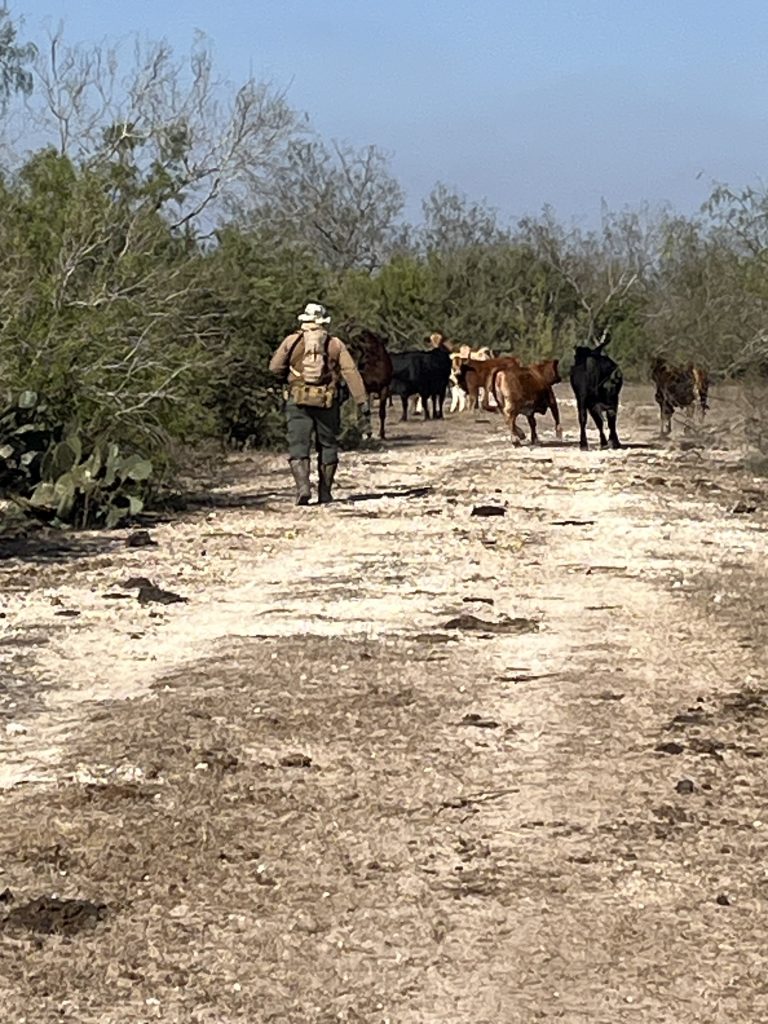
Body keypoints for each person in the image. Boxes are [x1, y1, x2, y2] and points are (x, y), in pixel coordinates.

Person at [269, 302, 370, 505]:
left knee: (298, 444)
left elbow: (274, 367)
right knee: (328, 444)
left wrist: (287, 379)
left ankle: (303, 487)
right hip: (327, 401)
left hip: (297, 400)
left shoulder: (291, 340)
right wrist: (362, 400)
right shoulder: (335, 344)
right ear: (324, 322)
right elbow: (350, 372)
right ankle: (325, 492)